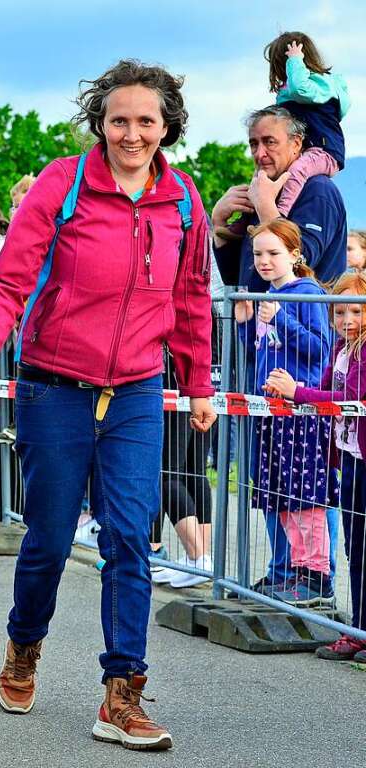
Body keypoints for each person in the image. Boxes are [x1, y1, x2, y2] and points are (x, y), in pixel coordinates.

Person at [0, 59, 215, 751]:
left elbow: (189, 301)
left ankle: (122, 693)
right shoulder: (61, 185)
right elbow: (10, 281)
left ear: (167, 127)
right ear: (100, 121)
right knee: (45, 539)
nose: (132, 133)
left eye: (146, 121)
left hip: (133, 390)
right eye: (120, 119)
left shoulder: (183, 200)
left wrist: (198, 384)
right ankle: (24, 644)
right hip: (53, 384)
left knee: (129, 535)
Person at [266, 269, 366, 661]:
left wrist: (299, 392)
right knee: (355, 550)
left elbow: (347, 395)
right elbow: (324, 388)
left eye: (355, 313)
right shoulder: (341, 349)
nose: (347, 321)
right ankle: (357, 629)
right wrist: (285, 393)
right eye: (339, 314)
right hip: (350, 459)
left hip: (363, 458)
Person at [236, 219, 335, 605]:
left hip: (301, 414)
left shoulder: (307, 293)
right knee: (278, 497)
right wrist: (246, 324)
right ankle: (288, 571)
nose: (264, 261)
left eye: (273, 253)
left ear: (294, 255)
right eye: (259, 254)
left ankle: (315, 578)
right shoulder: (267, 296)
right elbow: (262, 348)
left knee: (303, 498)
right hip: (270, 412)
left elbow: (317, 350)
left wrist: (280, 316)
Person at [212, 105, 347, 291]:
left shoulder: (318, 190)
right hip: (256, 319)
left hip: (303, 319)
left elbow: (301, 264)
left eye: (270, 142)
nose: (260, 153)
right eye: (254, 144)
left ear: (297, 144)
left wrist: (266, 207)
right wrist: (219, 224)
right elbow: (237, 279)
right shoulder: (264, 192)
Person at [263, 32, 349, 218]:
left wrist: (295, 60)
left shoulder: (319, 87)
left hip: (324, 151)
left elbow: (299, 89)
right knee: (262, 175)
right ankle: (243, 221)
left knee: (297, 171)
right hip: (302, 151)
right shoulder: (291, 91)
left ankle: (280, 216)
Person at [150, 350, 213, 588]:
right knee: (191, 471)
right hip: (204, 379)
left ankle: (198, 558)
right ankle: (199, 560)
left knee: (167, 471)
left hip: (181, 379)